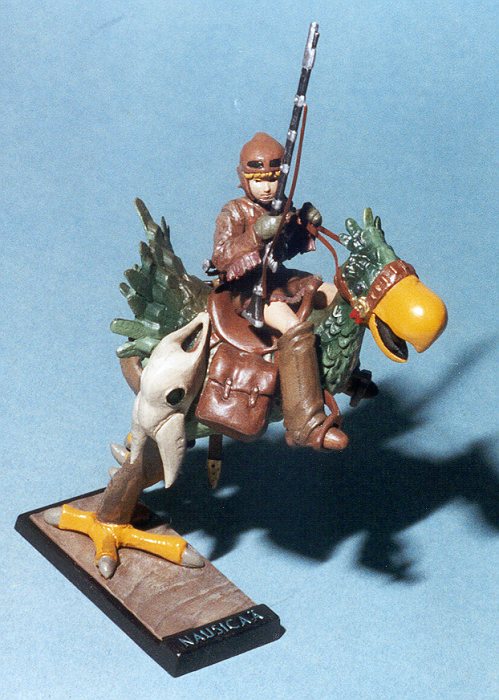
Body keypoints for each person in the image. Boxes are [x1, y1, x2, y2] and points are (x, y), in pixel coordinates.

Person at [211, 132, 348, 451]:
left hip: (281, 279)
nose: (266, 187)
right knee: (294, 327)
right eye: (258, 180)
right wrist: (256, 235)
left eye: (272, 179)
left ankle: (345, 373)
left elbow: (287, 249)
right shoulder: (233, 212)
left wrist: (304, 225)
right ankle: (304, 423)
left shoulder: (280, 206)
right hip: (250, 289)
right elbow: (221, 256)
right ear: (244, 179)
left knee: (337, 298)